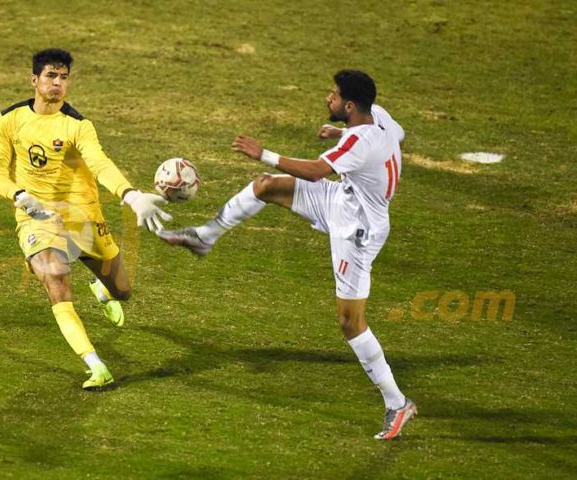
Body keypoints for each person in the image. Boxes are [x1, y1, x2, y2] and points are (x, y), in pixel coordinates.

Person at [159, 70, 416, 439]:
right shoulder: (382, 118)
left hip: (357, 231)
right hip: (343, 200)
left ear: (349, 105)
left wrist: (261, 152)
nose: (327, 98)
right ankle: (204, 237)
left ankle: (397, 403)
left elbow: (314, 172)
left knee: (350, 322)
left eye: (333, 95)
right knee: (266, 187)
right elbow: (394, 140)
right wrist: (341, 135)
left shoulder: (359, 142)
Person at [0, 48, 171, 390]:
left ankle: (102, 292)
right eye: (51, 76)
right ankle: (95, 365)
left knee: (124, 290)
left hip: (84, 219)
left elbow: (100, 163)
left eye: (64, 77)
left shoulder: (78, 126)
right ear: (34, 80)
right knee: (55, 280)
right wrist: (19, 196)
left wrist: (130, 195)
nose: (58, 83)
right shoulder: (9, 119)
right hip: (38, 218)